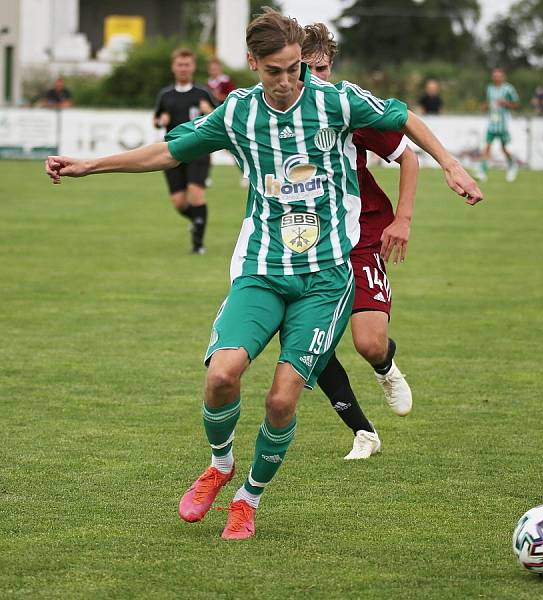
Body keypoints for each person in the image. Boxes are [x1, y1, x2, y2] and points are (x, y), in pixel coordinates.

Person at [45, 7, 482, 541]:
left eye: (295, 68)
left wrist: (452, 164)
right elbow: (167, 151)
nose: (287, 81)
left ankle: (247, 498)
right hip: (261, 269)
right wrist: (90, 165)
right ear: (253, 63)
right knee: (221, 375)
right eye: (274, 70)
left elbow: (403, 119)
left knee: (281, 398)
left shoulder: (337, 100)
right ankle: (221, 464)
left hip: (324, 279)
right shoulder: (237, 114)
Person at [301, 22, 418, 460]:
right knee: (308, 342)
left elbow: (407, 155)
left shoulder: (348, 106)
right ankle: (363, 432)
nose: (315, 78)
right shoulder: (277, 109)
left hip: (364, 231)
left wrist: (402, 219)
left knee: (368, 343)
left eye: (323, 68)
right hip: (307, 239)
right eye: (305, 69)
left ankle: (385, 366)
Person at [154, 48, 217, 254]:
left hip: (198, 151)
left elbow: (220, 116)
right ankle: (197, 220)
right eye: (180, 64)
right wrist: (159, 121)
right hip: (171, 151)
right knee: (179, 202)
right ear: (174, 67)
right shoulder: (165, 95)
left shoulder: (202, 93)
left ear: (193, 67)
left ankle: (198, 245)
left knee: (196, 195)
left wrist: (209, 112)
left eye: (187, 64)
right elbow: (156, 119)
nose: (183, 68)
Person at [476, 67, 519, 183]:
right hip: (492, 124)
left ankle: (512, 166)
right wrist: (484, 106)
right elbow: (489, 103)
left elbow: (516, 104)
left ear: (503, 77)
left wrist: (506, 103)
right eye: (495, 75)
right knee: (487, 147)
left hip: (503, 124)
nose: (496, 77)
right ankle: (482, 172)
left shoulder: (508, 89)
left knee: (504, 148)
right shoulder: (489, 88)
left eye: (499, 75)